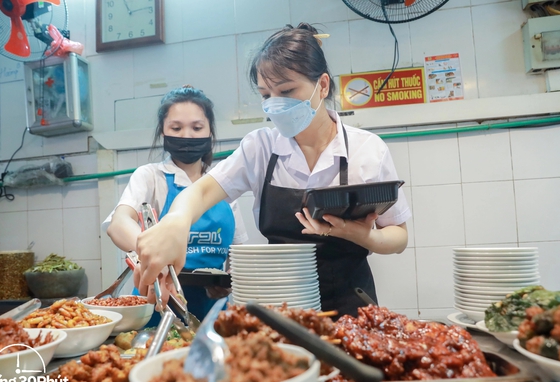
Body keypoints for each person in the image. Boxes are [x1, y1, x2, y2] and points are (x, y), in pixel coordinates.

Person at [135, 23, 411, 317]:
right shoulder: (260, 148)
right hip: (282, 305)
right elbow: (200, 192)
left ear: (323, 85)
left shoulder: (366, 149)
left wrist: (360, 235)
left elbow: (398, 236)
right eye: (266, 95)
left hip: (351, 306)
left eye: (287, 90)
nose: (276, 104)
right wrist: (178, 221)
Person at [102, 85, 248, 320]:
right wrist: (153, 253)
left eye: (197, 128)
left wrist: (230, 280)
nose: (187, 136)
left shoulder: (221, 184)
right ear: (163, 133)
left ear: (210, 133)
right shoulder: (150, 176)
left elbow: (239, 253)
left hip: (214, 313)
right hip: (157, 305)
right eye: (176, 128)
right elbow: (118, 225)